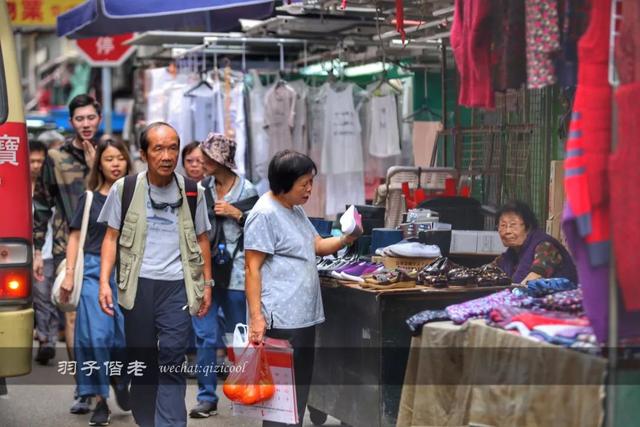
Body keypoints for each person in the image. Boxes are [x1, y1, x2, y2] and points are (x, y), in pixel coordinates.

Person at [97, 122, 212, 427]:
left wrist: (207, 285)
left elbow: (202, 240)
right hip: (138, 286)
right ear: (144, 153)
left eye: (173, 147)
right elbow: (110, 237)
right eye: (158, 148)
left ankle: (172, 423)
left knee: (173, 357)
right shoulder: (126, 189)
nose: (166, 155)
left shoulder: (192, 191)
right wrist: (104, 283)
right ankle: (147, 419)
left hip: (177, 286)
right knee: (144, 360)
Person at [244, 150, 360, 427]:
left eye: (311, 182)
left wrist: (347, 237)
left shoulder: (293, 209)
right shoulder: (264, 214)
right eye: (304, 183)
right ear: (285, 182)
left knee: (296, 394)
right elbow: (252, 268)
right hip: (281, 319)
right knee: (280, 401)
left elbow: (317, 245)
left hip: (303, 316)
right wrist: (257, 318)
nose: (309, 189)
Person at [33, 94, 101, 414]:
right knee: (72, 314)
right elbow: (43, 204)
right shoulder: (56, 158)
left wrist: (94, 164)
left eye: (90, 118)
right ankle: (83, 387)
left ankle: (108, 379)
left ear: (98, 119)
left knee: (105, 314)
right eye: (79, 119)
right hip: (66, 245)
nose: (86, 124)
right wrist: (36, 250)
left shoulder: (111, 154)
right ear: (71, 122)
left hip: (109, 244)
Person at [60, 136, 133, 426]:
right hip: (91, 271)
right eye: (108, 159)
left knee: (124, 338)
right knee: (96, 338)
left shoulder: (136, 196)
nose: (115, 164)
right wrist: (68, 275)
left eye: (120, 158)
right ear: (99, 165)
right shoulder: (90, 197)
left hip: (127, 273)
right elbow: (75, 235)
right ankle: (100, 399)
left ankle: (120, 378)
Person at [188, 133, 258, 419]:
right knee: (204, 337)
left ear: (221, 161)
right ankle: (207, 397)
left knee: (237, 337)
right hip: (206, 273)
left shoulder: (248, 190)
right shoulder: (199, 189)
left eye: (205, 158)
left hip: (239, 275)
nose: (200, 162)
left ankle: (243, 391)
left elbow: (262, 231)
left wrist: (237, 214)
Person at [494, 200, 578, 284]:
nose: (507, 231)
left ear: (528, 227)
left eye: (513, 225)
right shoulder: (510, 254)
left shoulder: (545, 246)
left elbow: (532, 280)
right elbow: (490, 272)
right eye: (503, 225)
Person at [29, 139, 59, 365]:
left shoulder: (51, 188)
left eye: (40, 161)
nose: (37, 165)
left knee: (44, 297)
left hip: (46, 251)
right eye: (32, 161)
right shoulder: (12, 185)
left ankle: (46, 340)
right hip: (18, 252)